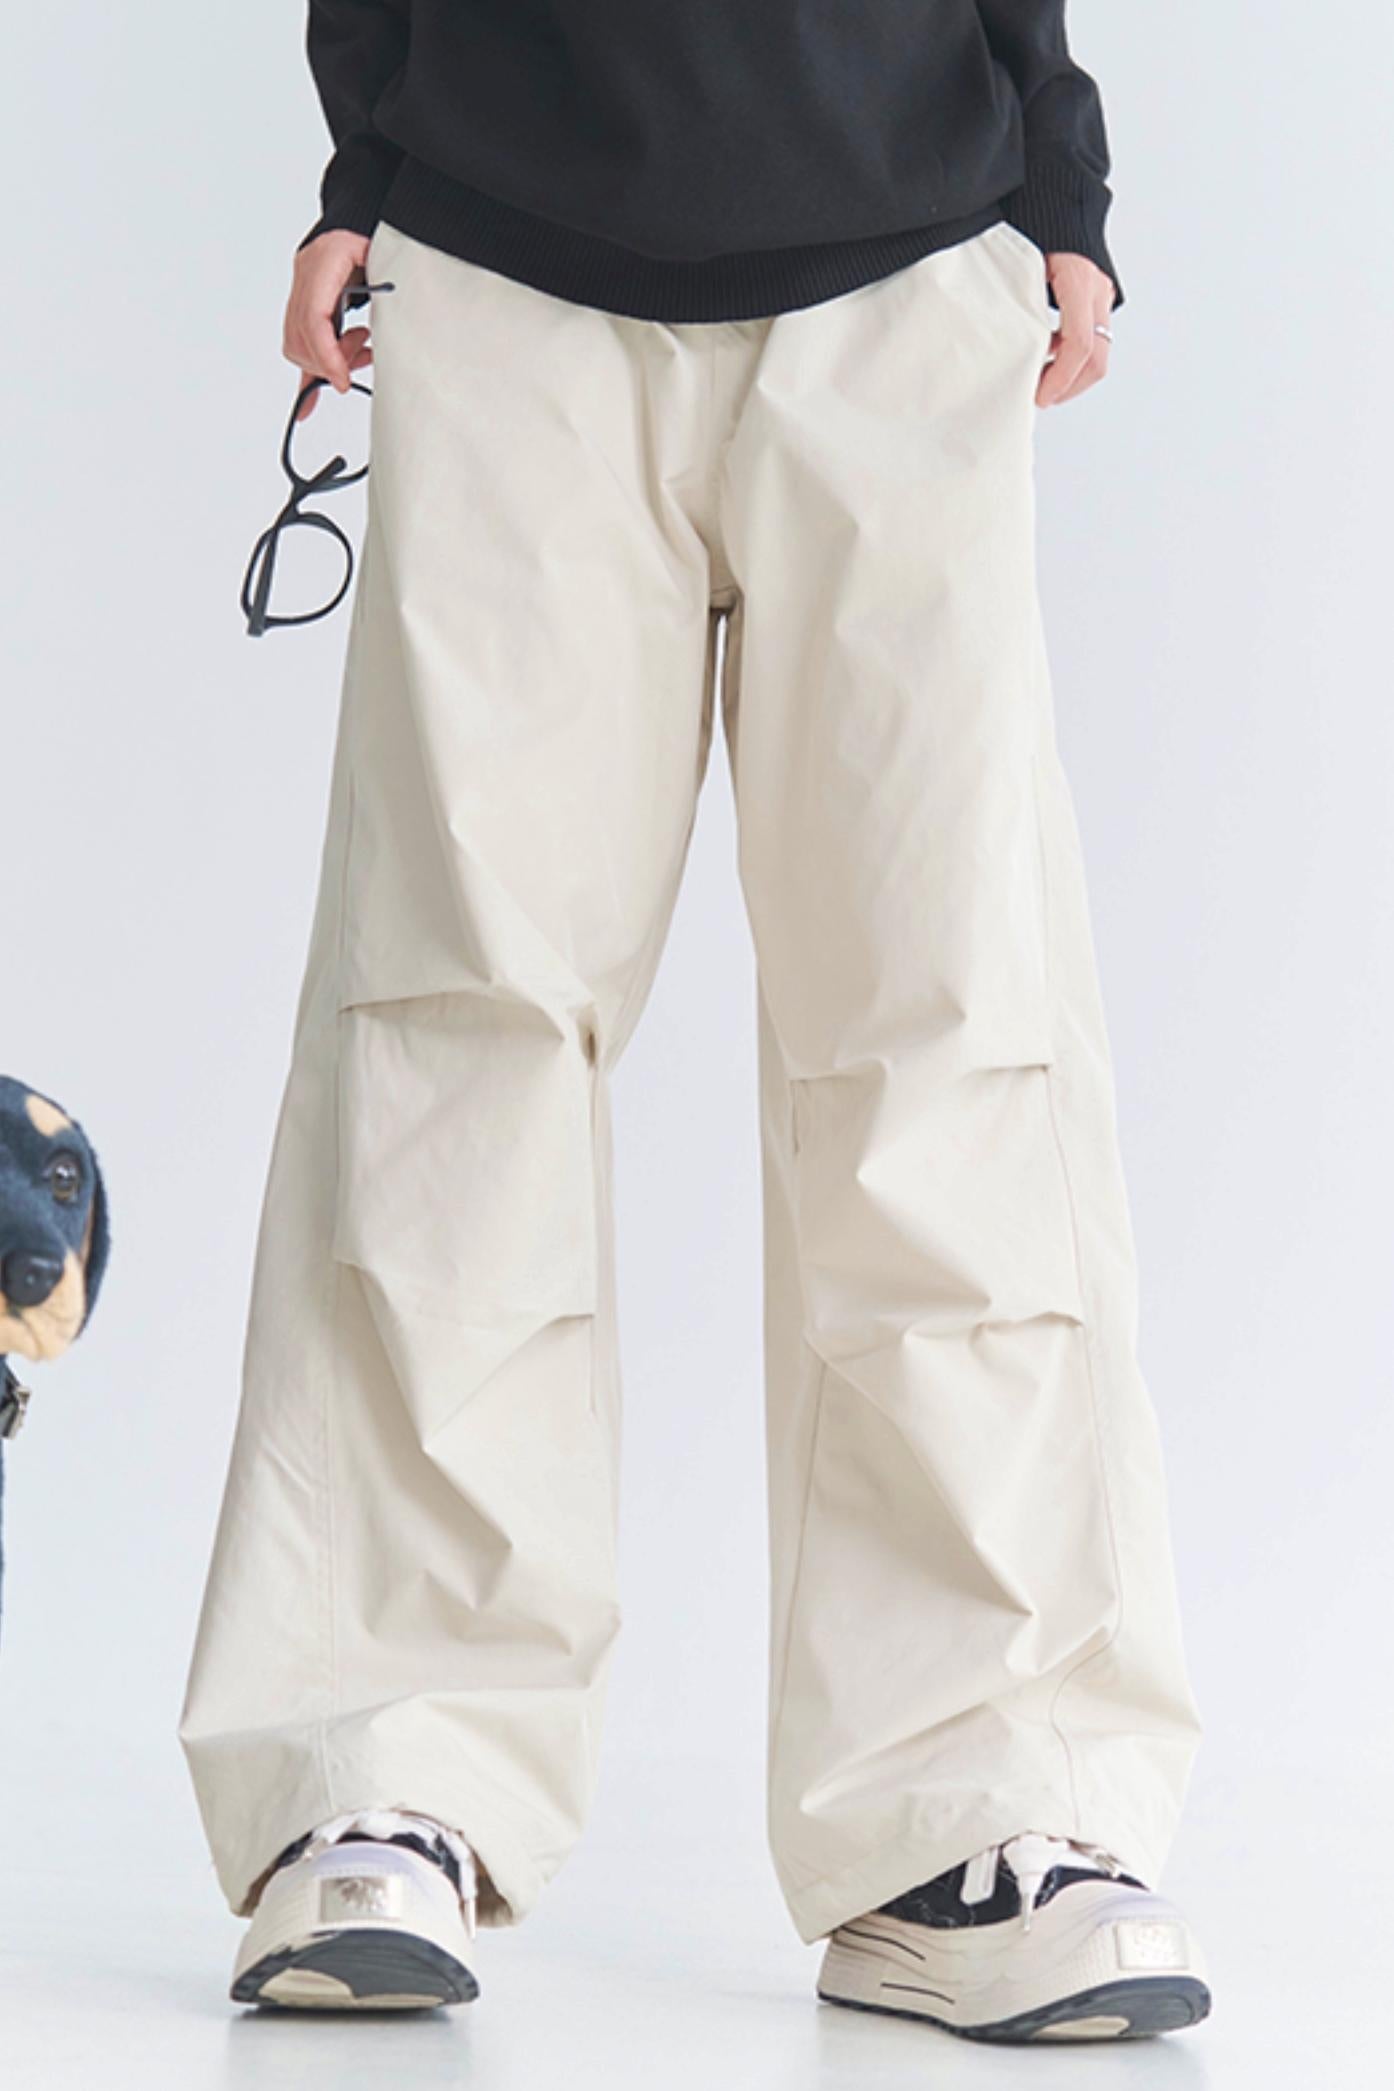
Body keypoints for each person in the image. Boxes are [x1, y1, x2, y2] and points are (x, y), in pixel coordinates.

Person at [180, 0, 1210, 2042]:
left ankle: (977, 1801)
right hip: (504, 244)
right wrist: (364, 166)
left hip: (912, 253)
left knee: (947, 1026)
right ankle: (382, 1763)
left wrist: (1055, 161)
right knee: (453, 1021)